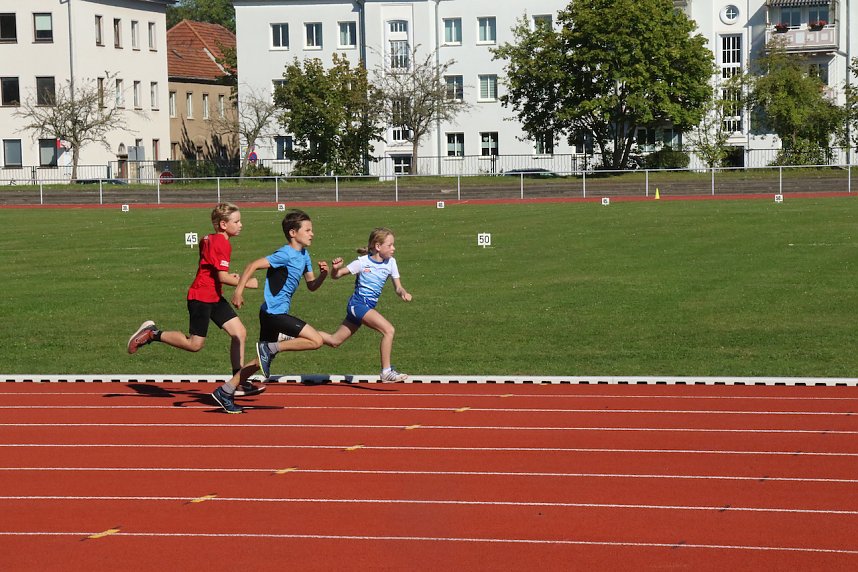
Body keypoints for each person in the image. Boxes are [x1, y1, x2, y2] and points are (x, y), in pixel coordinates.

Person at [126, 202, 265, 397]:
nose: (241, 225)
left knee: (239, 333)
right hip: (201, 298)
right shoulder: (221, 242)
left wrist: (226, 275)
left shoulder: (212, 238)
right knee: (194, 345)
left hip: (213, 296)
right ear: (223, 225)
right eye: (237, 221)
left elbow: (211, 261)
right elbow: (221, 277)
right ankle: (152, 334)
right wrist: (246, 283)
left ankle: (238, 381)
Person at [211, 209, 330, 413]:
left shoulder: (304, 254)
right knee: (316, 340)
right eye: (308, 230)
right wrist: (238, 291)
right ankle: (273, 347)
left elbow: (311, 285)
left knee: (260, 361)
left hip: (270, 313)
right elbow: (252, 265)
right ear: (293, 233)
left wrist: (323, 275)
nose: (312, 234)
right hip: (274, 314)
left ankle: (226, 390)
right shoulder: (285, 254)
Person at [321, 227, 412, 383]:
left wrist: (403, 292)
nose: (393, 248)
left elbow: (398, 286)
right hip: (358, 305)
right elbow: (336, 276)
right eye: (390, 245)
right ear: (378, 246)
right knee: (389, 330)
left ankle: (296, 333)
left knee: (334, 341)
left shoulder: (391, 262)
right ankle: (386, 372)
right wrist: (335, 269)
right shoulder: (361, 263)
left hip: (366, 307)